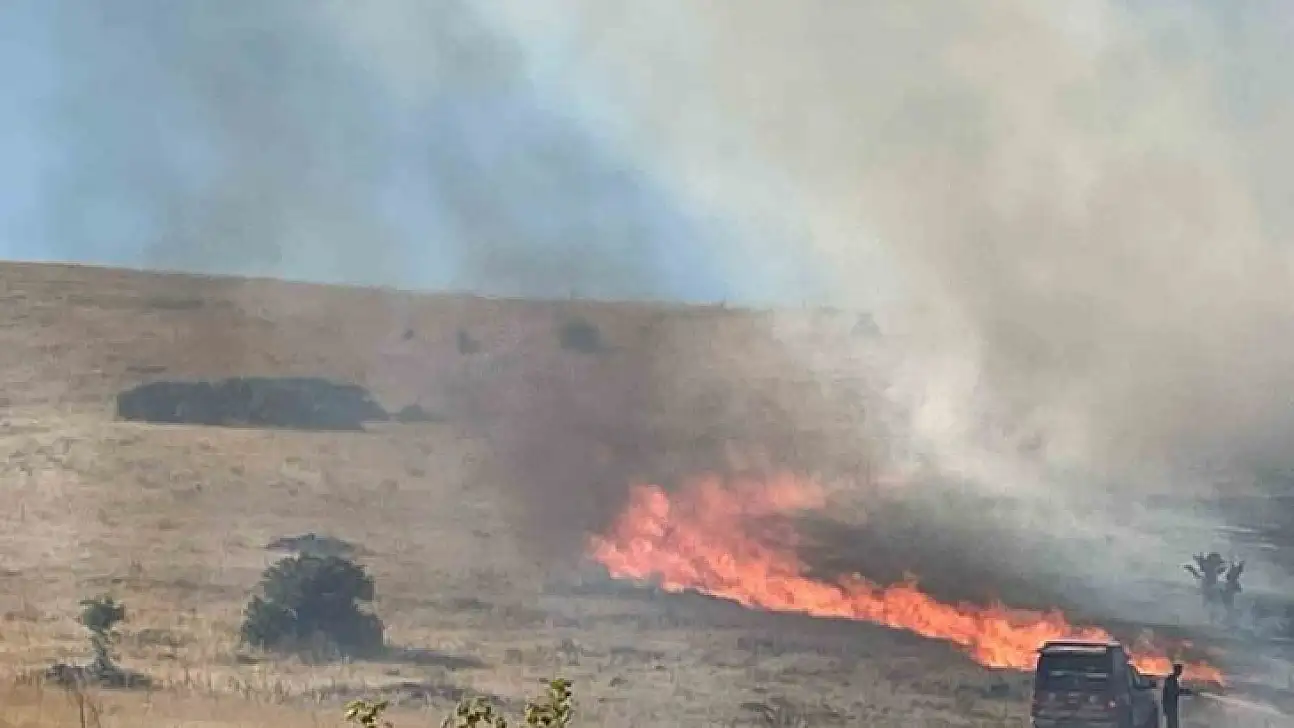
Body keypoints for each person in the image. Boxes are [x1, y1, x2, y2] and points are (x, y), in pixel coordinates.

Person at [1162, 663, 1194, 728]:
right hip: (1170, 705)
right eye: (1180, 670)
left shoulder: (1171, 679)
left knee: (1172, 723)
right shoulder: (1171, 679)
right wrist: (1186, 691)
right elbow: (1174, 691)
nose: (1181, 672)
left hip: (1170, 705)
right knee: (1172, 724)